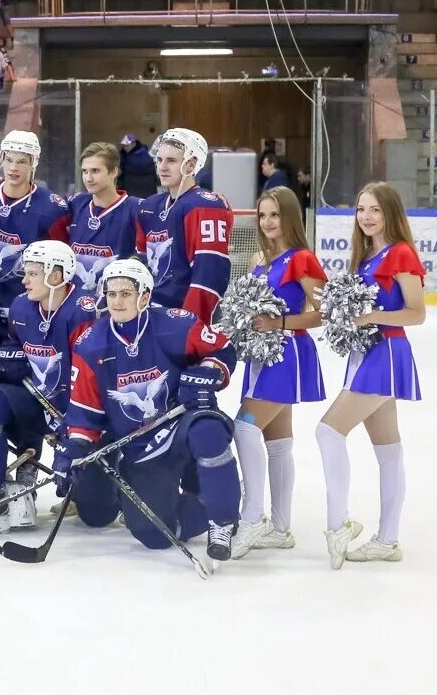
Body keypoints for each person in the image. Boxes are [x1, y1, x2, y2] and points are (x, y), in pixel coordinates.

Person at [57, 258, 241, 562]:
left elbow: (222, 349)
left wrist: (209, 371)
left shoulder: (176, 324)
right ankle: (205, 504)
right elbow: (84, 410)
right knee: (153, 534)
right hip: (141, 445)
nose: (117, 301)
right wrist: (72, 451)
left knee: (209, 431)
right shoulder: (91, 345)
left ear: (144, 296)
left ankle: (222, 519)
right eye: (111, 293)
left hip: (181, 420)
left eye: (126, 293)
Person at [315, 181, 424, 567]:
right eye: (361, 209)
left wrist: (369, 316)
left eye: (374, 209)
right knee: (388, 449)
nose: (366, 217)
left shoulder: (401, 253)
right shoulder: (366, 259)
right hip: (366, 352)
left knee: (327, 430)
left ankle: (340, 523)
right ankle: (388, 540)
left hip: (386, 352)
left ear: (390, 212)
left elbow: (417, 313)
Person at [0, 242, 95, 534]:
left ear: (56, 276)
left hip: (79, 407)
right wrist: (11, 355)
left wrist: (74, 424)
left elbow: (90, 376)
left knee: (96, 511)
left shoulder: (82, 311)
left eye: (32, 273)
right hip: (34, 397)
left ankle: (34, 472)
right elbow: (14, 340)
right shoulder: (22, 305)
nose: (23, 280)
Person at [232, 185, 326, 558]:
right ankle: (281, 527)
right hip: (259, 354)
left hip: (285, 353)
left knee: (244, 425)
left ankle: (252, 518)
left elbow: (324, 312)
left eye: (276, 214)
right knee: (277, 441)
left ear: (290, 217)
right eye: (263, 215)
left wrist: (279, 322)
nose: (269, 222)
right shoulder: (259, 258)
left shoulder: (302, 258)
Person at [0, 130, 69, 359]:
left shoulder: (51, 210)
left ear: (33, 164)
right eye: (8, 160)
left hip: (22, 317)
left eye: (22, 162)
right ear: (1, 160)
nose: (14, 168)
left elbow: (61, 269)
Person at [135, 127, 233, 316]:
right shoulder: (149, 206)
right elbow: (140, 262)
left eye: (171, 160)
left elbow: (209, 275)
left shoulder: (204, 206)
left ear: (191, 165)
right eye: (159, 159)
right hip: (149, 313)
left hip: (181, 315)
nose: (162, 167)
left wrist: (191, 322)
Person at [66, 142, 142, 295]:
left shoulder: (136, 209)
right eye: (84, 171)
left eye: (95, 171)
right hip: (73, 302)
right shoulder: (75, 203)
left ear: (114, 171)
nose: (88, 178)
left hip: (114, 303)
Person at [118, 133, 158, 199]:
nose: (125, 148)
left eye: (127, 145)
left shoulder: (144, 155)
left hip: (142, 190)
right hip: (131, 188)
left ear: (134, 144)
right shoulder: (124, 155)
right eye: (124, 146)